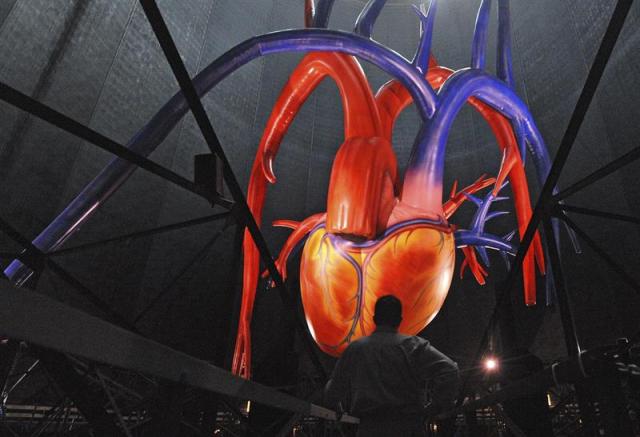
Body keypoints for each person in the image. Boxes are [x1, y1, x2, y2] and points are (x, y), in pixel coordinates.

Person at [324, 295, 460, 437]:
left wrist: (336, 406)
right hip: (408, 427)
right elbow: (450, 370)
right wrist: (435, 406)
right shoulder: (414, 345)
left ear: (375, 319)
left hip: (369, 428)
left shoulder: (356, 349)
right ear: (399, 320)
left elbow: (332, 390)